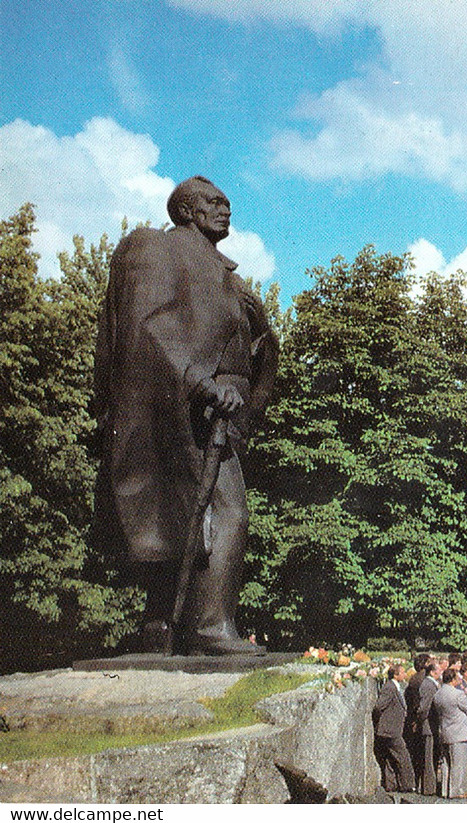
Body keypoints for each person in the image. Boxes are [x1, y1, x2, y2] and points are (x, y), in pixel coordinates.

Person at [94, 176, 278, 656]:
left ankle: (166, 626)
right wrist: (201, 382)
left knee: (192, 521)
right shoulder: (157, 249)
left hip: (220, 415)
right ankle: (210, 627)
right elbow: (147, 325)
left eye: (227, 203)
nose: (225, 210)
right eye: (215, 203)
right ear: (188, 212)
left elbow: (247, 345)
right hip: (185, 408)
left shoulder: (225, 273)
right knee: (228, 512)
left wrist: (258, 334)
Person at [432, 667, 467, 798]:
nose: (459, 680)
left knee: (446, 763)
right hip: (459, 733)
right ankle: (456, 791)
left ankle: (445, 790)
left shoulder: (438, 694)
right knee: (458, 764)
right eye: (457, 678)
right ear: (452, 680)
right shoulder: (457, 694)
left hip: (444, 731)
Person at [372, 663, 412, 792]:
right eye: (403, 672)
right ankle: (407, 785)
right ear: (396, 674)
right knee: (403, 756)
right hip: (390, 730)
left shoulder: (395, 686)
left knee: (390, 758)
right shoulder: (390, 687)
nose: (405, 674)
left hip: (391, 729)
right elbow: (379, 706)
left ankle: (391, 784)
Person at [406, 656, 441, 796]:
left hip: (431, 725)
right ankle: (428, 787)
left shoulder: (432, 683)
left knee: (432, 756)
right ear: (432, 672)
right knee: (428, 757)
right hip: (428, 726)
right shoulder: (427, 685)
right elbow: (423, 708)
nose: (440, 672)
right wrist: (421, 721)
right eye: (438, 670)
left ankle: (430, 785)